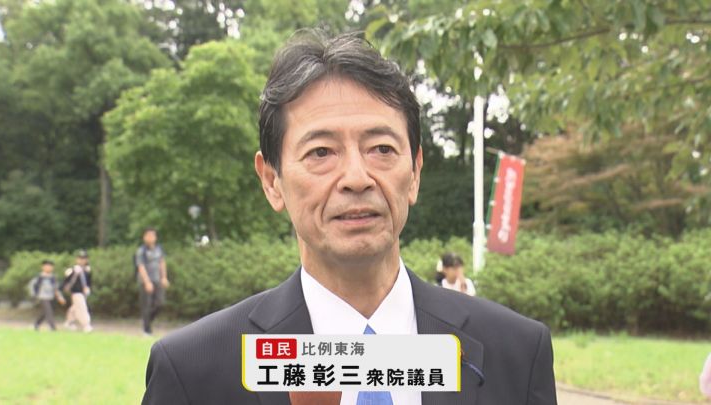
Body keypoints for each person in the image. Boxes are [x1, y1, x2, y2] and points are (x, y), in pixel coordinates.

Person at [142, 31, 557, 405]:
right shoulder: (193, 371)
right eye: (321, 152)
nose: (357, 178)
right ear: (272, 181)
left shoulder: (516, 352)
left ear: (415, 172)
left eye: (381, 149)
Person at [136, 228, 169, 335]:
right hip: (146, 281)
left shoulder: (159, 249)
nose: (151, 238)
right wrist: (147, 282)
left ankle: (147, 320)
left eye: (153, 236)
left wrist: (164, 277)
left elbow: (162, 263)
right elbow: (141, 267)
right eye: (148, 235)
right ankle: (147, 330)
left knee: (160, 303)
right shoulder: (142, 251)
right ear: (144, 237)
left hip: (157, 279)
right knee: (146, 305)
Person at [62, 249, 93, 333]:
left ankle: (69, 322)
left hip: (83, 292)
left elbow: (89, 281)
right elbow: (66, 281)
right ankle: (86, 324)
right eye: (80, 258)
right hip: (76, 292)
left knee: (75, 308)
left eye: (84, 259)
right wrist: (74, 273)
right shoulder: (72, 270)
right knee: (82, 308)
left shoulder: (87, 270)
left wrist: (88, 288)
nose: (82, 260)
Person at [31, 260, 66, 330]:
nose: (49, 268)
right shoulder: (39, 277)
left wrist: (60, 297)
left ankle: (36, 324)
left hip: (51, 297)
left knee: (44, 312)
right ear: (43, 267)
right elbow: (33, 286)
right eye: (47, 266)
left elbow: (56, 288)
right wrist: (34, 296)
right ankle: (53, 327)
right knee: (49, 311)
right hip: (42, 297)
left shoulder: (53, 277)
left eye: (50, 266)